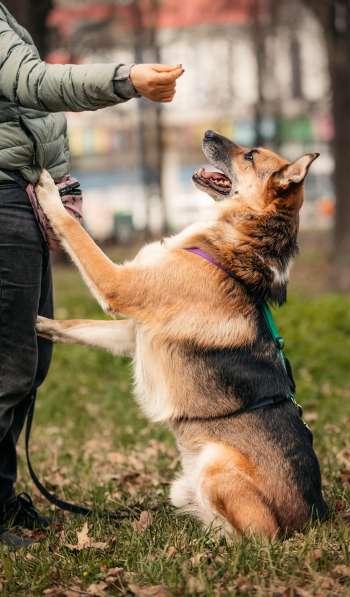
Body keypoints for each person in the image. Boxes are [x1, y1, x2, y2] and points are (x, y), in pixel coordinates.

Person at [0, 1, 183, 546]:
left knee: (27, 363)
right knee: (9, 368)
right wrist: (126, 78)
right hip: (4, 199)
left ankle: (4, 499)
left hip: (21, 196)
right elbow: (32, 83)